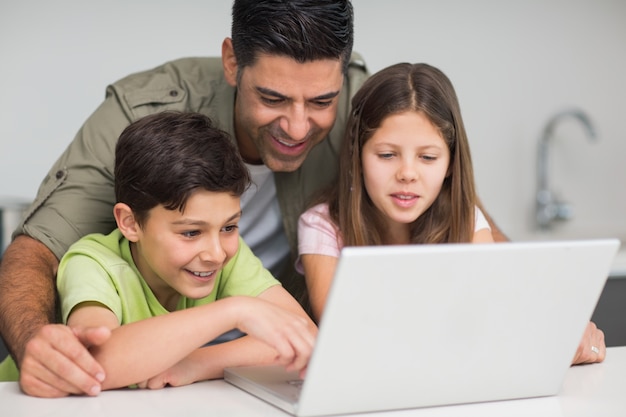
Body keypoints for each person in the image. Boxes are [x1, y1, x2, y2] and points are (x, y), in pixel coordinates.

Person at [296, 62, 605, 366]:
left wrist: (562, 333)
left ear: (450, 164)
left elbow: (493, 320)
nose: (407, 173)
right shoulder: (322, 226)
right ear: (357, 154)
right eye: (387, 154)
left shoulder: (468, 223)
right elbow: (344, 331)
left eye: (427, 157)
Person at [2, 111, 317, 394]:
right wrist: (235, 311)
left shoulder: (221, 251)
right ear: (130, 223)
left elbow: (304, 338)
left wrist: (195, 364)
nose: (215, 253)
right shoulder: (93, 263)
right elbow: (96, 364)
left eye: (229, 226)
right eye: (190, 232)